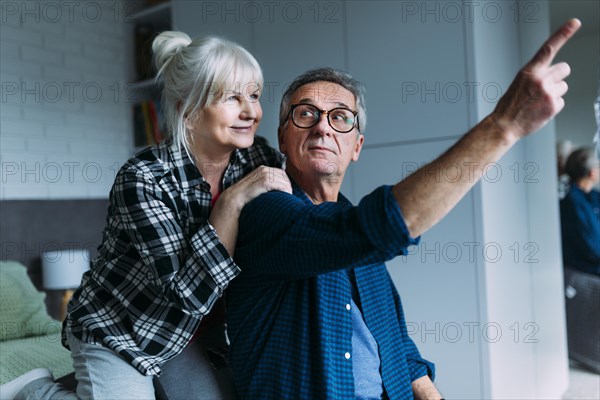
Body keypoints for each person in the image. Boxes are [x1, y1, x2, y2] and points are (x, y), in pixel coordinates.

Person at [226, 19, 582, 399]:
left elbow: (397, 344)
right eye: (306, 114)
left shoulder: (353, 231)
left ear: (357, 146)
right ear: (283, 136)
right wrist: (504, 126)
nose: (322, 128)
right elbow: (374, 227)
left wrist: (431, 394)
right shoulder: (266, 213)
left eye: (340, 117)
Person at [0, 33, 290, 399]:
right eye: (232, 98)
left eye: (254, 95)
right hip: (122, 332)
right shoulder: (144, 178)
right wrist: (229, 204)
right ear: (189, 109)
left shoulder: (255, 159)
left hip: (191, 335)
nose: (251, 111)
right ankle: (35, 390)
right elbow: (185, 295)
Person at [560, 147, 600, 276]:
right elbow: (592, 249)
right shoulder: (572, 201)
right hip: (585, 272)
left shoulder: (593, 196)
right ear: (592, 173)